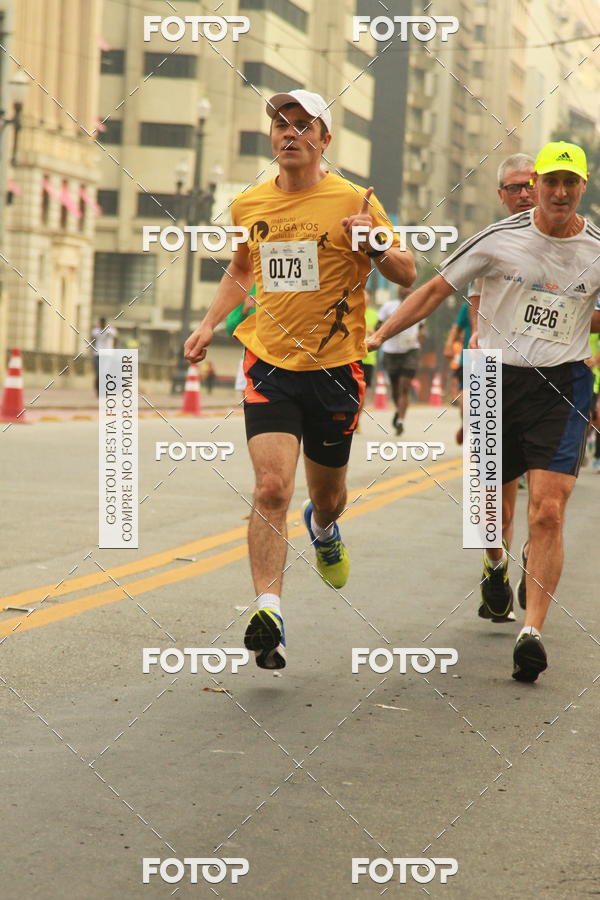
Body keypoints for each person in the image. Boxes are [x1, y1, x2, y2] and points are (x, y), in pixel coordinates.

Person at [184, 88, 415, 669]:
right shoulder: (249, 205)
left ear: (324, 140)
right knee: (269, 488)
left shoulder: (355, 199)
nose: (290, 133)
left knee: (327, 497)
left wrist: (376, 241)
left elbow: (407, 273)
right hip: (268, 366)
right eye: (281, 124)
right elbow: (242, 270)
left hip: (336, 370)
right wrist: (210, 324)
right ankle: (269, 612)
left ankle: (323, 526)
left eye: (303, 125)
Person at [367, 140, 600, 682]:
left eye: (571, 183)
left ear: (583, 187)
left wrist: (574, 313)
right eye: (549, 183)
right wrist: (381, 334)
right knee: (489, 500)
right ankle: (496, 565)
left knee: (547, 509)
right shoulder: (498, 241)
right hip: (493, 378)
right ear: (535, 187)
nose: (558, 193)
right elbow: (432, 290)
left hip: (562, 384)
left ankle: (532, 632)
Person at [378, 287, 424, 434]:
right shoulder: (388, 307)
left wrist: (419, 337)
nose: (405, 291)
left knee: (405, 387)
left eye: (409, 288)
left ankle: (400, 421)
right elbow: (377, 326)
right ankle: (399, 410)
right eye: (403, 288)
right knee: (395, 390)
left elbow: (422, 328)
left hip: (411, 351)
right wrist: (389, 326)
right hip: (391, 351)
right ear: (398, 290)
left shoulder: (419, 306)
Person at [443, 299, 472, 445]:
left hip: (498, 360)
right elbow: (456, 328)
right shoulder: (468, 305)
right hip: (470, 359)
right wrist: (449, 345)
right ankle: (466, 426)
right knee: (466, 405)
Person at [91, 317, 118, 396]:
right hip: (97, 354)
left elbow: (116, 339)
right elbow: (92, 340)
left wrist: (114, 350)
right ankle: (98, 389)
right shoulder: (95, 331)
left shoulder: (111, 331)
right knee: (98, 373)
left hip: (107, 355)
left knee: (104, 373)